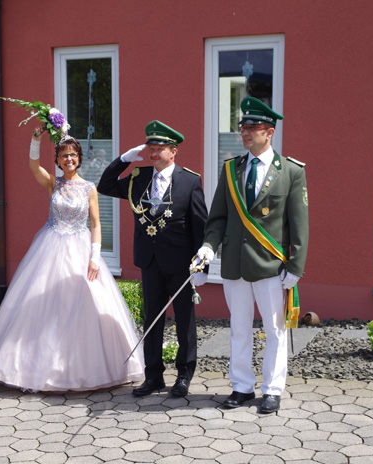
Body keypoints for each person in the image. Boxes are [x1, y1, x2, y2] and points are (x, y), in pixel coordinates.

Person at [0, 128, 144, 392]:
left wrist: (95, 257)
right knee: (43, 306)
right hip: (50, 248)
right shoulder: (53, 183)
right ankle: (35, 368)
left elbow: (96, 224)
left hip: (80, 250)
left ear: (79, 158)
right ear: (57, 160)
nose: (69, 159)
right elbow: (33, 167)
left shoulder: (89, 188)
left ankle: (85, 369)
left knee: (84, 304)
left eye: (73, 155)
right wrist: (36, 140)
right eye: (64, 155)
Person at [194, 96, 309, 414]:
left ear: (269, 132)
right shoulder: (231, 169)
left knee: (274, 331)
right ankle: (242, 386)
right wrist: (207, 248)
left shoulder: (290, 171)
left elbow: (299, 224)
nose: (244, 133)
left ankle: (272, 389)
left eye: (251, 128)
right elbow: (218, 218)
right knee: (239, 328)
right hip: (234, 263)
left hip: (271, 266)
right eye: (242, 127)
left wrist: (296, 265)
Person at [98, 120, 208, 398]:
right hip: (150, 261)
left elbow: (200, 224)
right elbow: (105, 186)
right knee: (152, 320)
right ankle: (154, 376)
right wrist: (123, 160)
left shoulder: (189, 180)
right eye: (151, 148)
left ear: (174, 151)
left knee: (184, 321)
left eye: (159, 149)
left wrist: (202, 266)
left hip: (181, 263)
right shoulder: (139, 178)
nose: (153, 153)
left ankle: (183, 375)